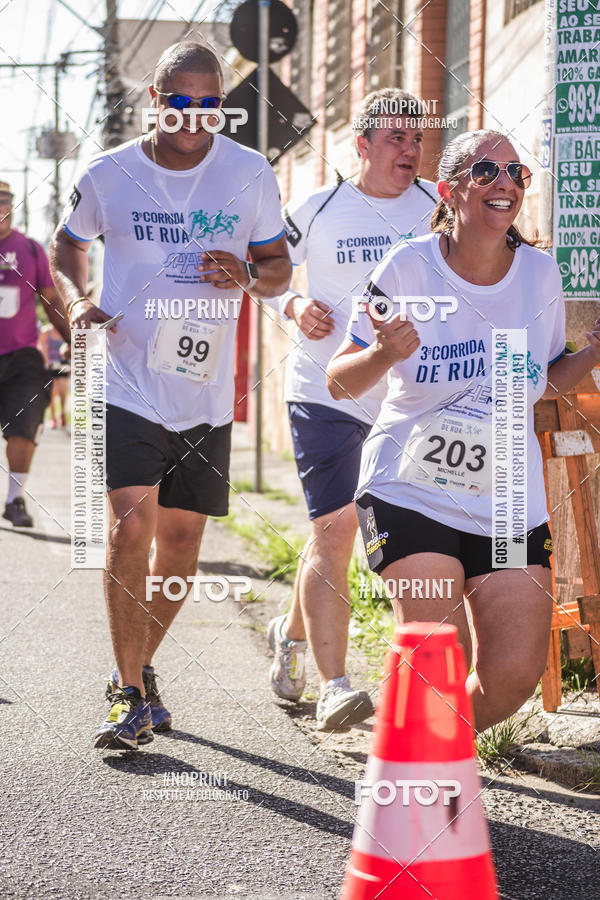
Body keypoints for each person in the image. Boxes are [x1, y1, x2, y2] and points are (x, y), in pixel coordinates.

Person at [50, 42, 291, 750]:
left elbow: (278, 269)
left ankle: (143, 670)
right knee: (131, 528)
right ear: (155, 99)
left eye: (210, 104)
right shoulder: (109, 173)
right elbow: (68, 248)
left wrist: (247, 270)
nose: (196, 117)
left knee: (182, 543)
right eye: (181, 102)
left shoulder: (249, 175)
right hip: (126, 374)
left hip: (205, 390)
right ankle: (126, 691)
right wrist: (76, 300)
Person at [326, 128, 600, 733]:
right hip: (411, 488)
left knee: (512, 674)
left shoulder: (540, 277)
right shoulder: (407, 268)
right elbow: (339, 381)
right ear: (450, 191)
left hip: (507, 501)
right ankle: (423, 776)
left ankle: (422, 739)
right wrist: (381, 355)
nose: (504, 184)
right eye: (487, 173)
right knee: (436, 653)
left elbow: (540, 381)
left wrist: (590, 357)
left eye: (515, 174)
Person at [264, 89, 437, 730]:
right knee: (337, 530)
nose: (409, 150)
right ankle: (336, 687)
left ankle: (292, 629)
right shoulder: (316, 208)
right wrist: (290, 308)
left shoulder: (435, 210)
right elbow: (266, 273)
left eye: (417, 139)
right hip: (323, 392)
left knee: (365, 536)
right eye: (395, 138)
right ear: (361, 145)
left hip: (406, 398)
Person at [0, 181, 70, 528]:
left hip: (22, 357)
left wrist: (73, 338)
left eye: (5, 200)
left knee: (24, 428)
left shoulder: (29, 249)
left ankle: (14, 500)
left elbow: (51, 299)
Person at [39, 323, 70, 427]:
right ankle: (53, 418)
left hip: (63, 366)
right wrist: (46, 363)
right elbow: (43, 347)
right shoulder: (46, 332)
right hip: (51, 367)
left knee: (62, 392)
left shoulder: (66, 330)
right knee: (51, 393)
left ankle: (62, 413)